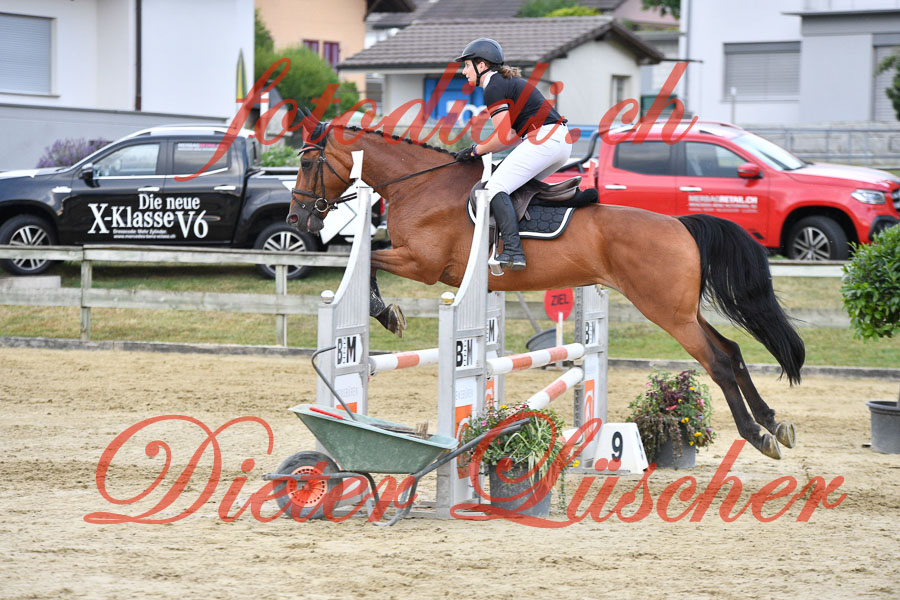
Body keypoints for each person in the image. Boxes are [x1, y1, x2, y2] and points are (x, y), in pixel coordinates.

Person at [454, 38, 572, 270]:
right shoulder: (504, 82)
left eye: (467, 65)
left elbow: (503, 137)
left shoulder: (493, 86)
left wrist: (475, 150)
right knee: (516, 188)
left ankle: (513, 251)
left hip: (545, 140)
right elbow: (509, 138)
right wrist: (479, 150)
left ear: (481, 65)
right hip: (558, 142)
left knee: (494, 188)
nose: (464, 71)